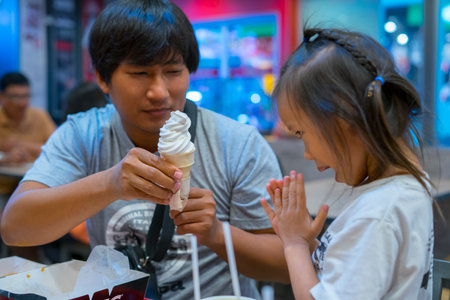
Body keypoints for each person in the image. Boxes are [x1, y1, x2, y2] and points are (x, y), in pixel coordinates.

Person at [1, 1, 288, 299]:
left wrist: (216, 234)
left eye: (173, 71)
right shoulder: (83, 134)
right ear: (102, 78)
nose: (160, 92)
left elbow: (285, 263)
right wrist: (109, 183)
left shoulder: (238, 143)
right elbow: (15, 228)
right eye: (140, 73)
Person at [261, 27, 434, 299]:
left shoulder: (378, 214)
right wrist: (310, 244)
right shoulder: (405, 188)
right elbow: (361, 270)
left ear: (344, 120)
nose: (306, 152)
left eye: (302, 133)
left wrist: (293, 244)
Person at [0, 72, 56, 165]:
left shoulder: (40, 116)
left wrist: (20, 144)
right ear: (1, 96)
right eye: (15, 97)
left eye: (26, 96)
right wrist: (4, 158)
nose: (22, 103)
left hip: (36, 177)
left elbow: (57, 150)